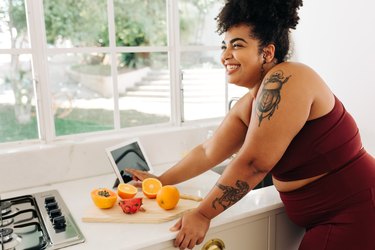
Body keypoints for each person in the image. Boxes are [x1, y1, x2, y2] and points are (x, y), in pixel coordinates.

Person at [126, 0, 375, 249]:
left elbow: (255, 163)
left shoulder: (288, 78)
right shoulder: (250, 102)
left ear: (267, 52)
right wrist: (160, 180)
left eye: (237, 45)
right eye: (224, 46)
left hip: (355, 210)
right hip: (329, 215)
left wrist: (203, 214)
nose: (225, 56)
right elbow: (208, 151)